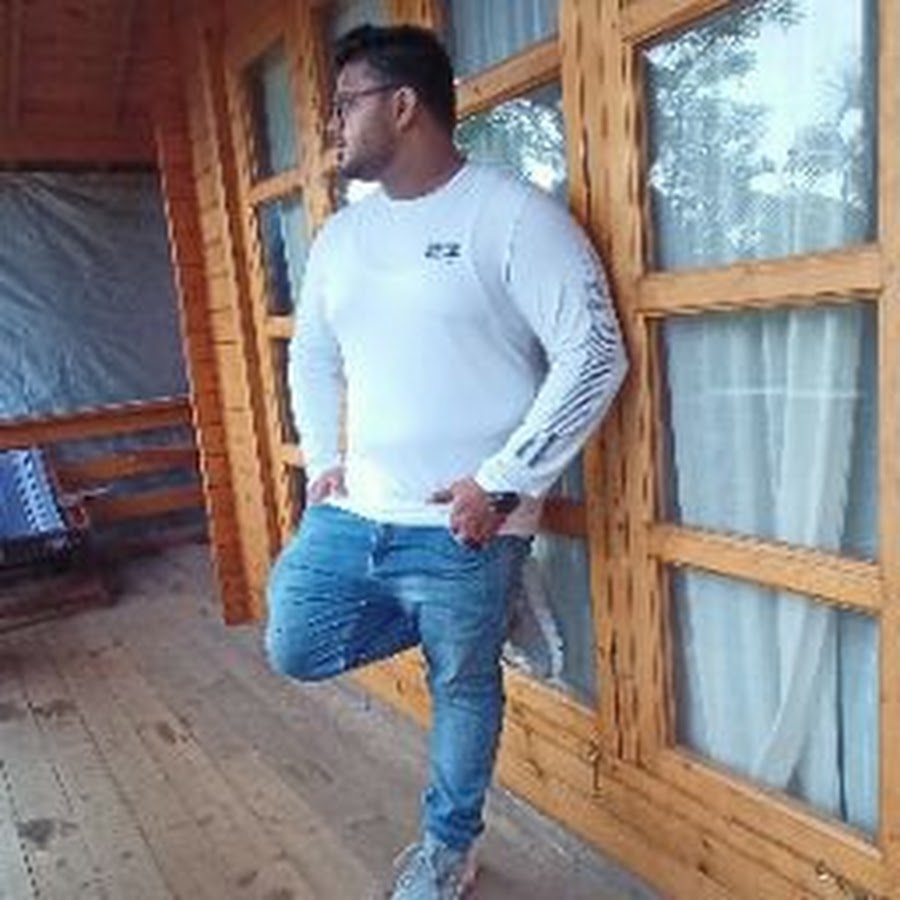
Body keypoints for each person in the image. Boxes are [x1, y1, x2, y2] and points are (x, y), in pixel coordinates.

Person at [265, 23, 628, 900]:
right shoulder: (341, 239)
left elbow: (594, 354)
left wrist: (502, 483)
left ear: (403, 105)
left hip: (471, 525)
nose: (331, 125)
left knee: (461, 685)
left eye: (345, 104)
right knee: (293, 641)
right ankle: (487, 614)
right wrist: (323, 460)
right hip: (357, 509)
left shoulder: (511, 215)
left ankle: (447, 848)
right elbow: (312, 354)